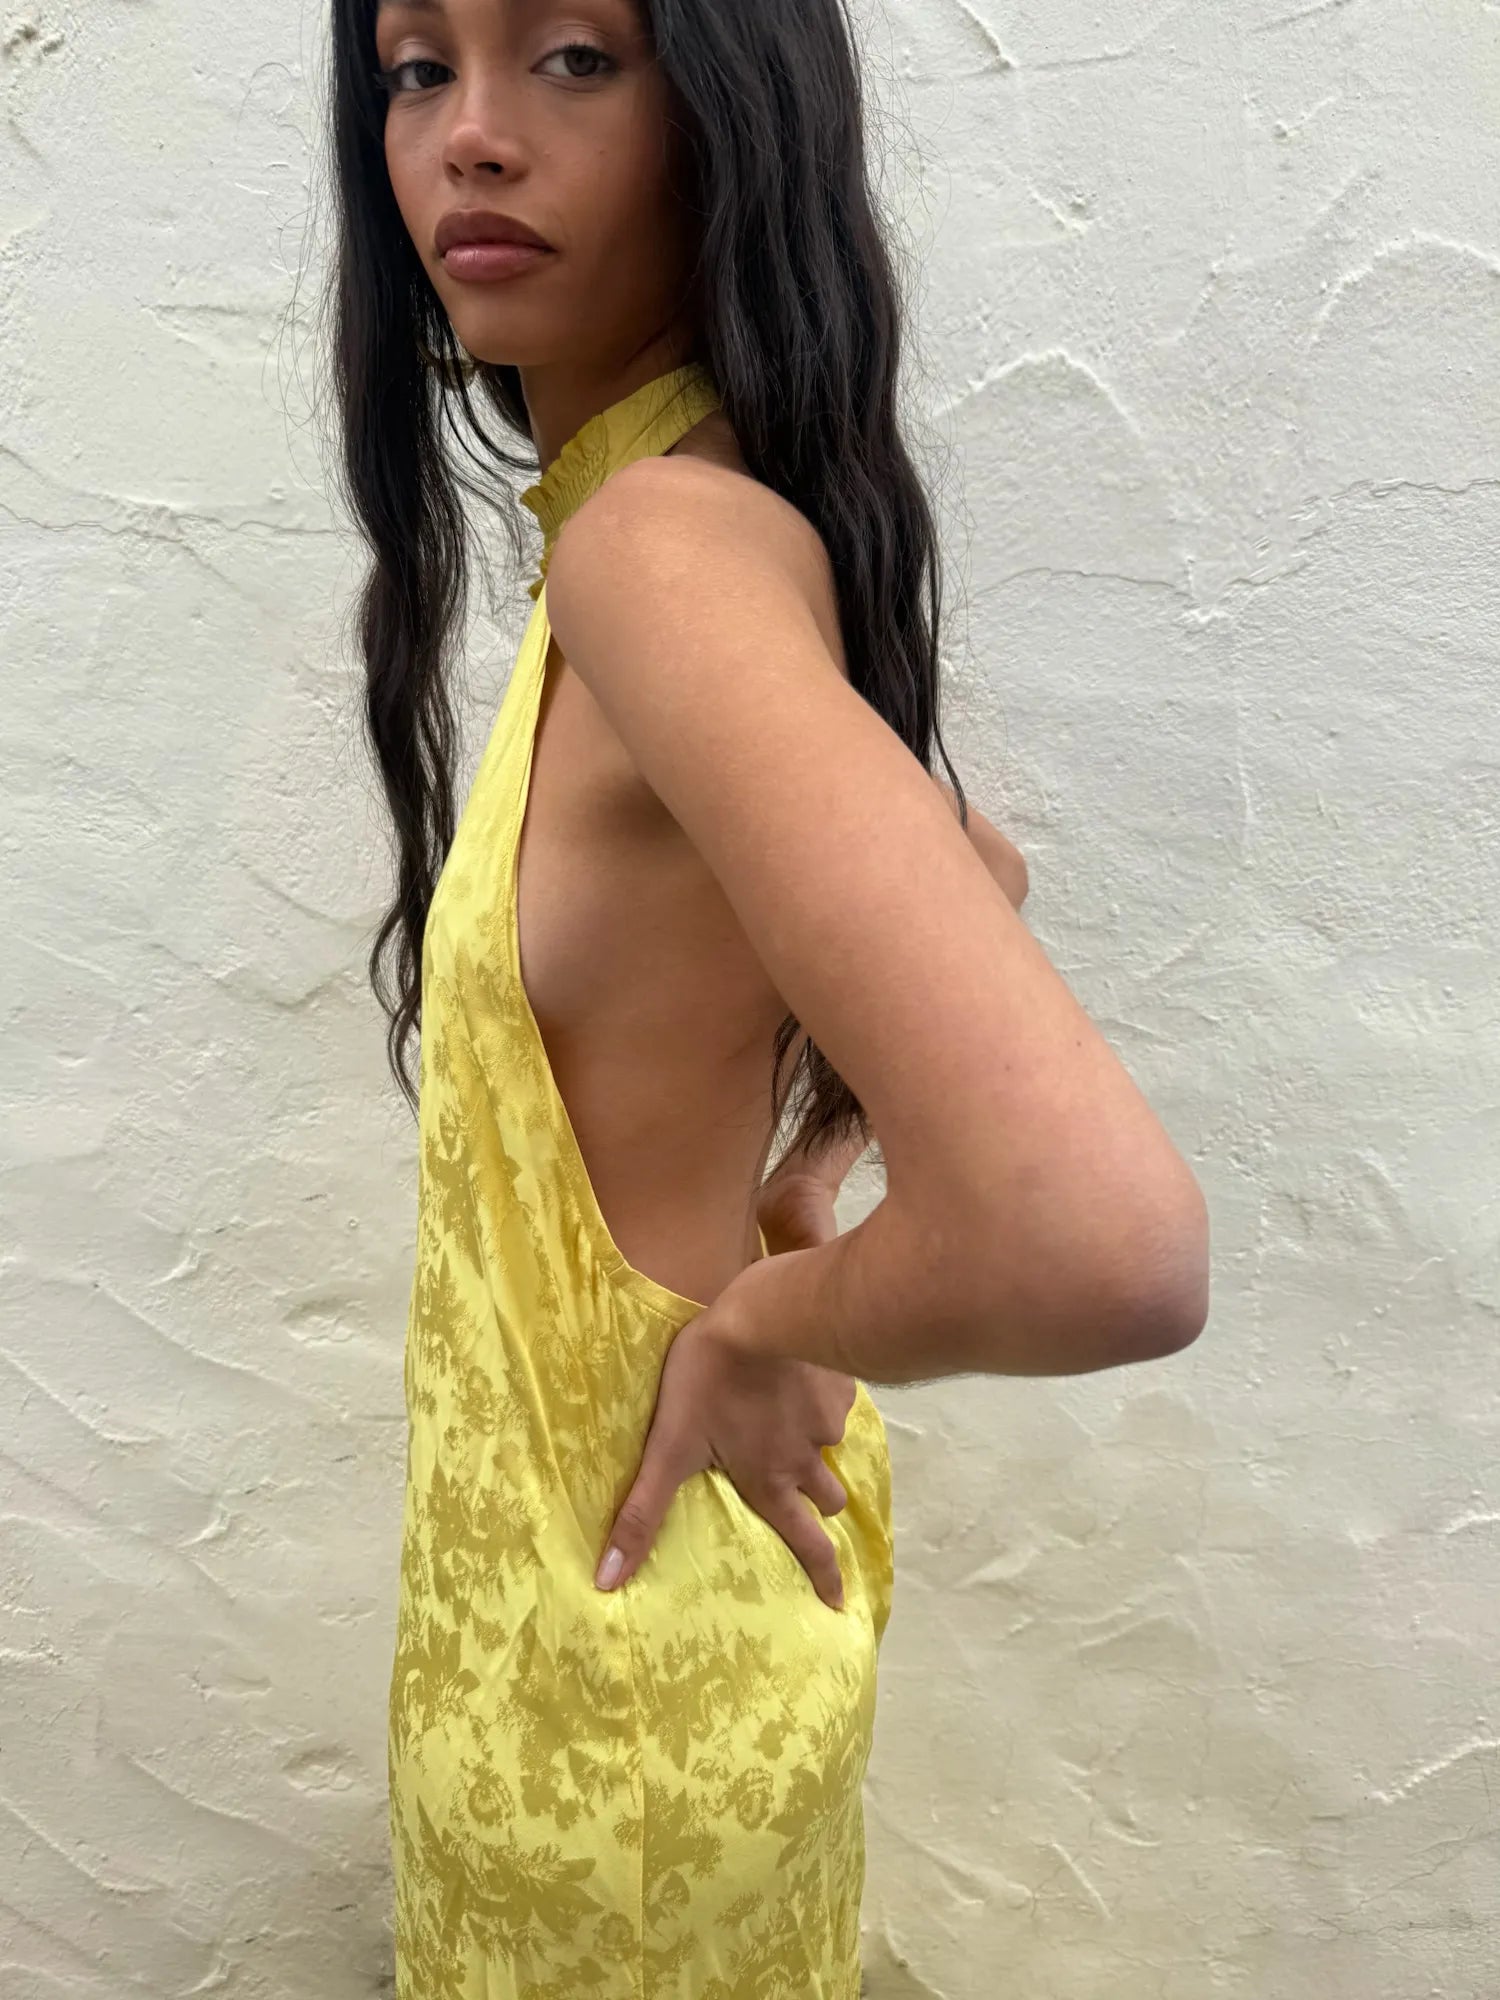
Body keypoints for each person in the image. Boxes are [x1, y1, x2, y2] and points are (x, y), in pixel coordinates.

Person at [323, 0, 1211, 1992]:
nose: (470, 136)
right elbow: (973, 869)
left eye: (573, 56)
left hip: (613, 1693)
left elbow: (1108, 1243)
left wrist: (767, 1319)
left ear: (733, 115)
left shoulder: (656, 553)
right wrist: (798, 1193)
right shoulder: (678, 521)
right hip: (626, 1653)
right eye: (417, 67)